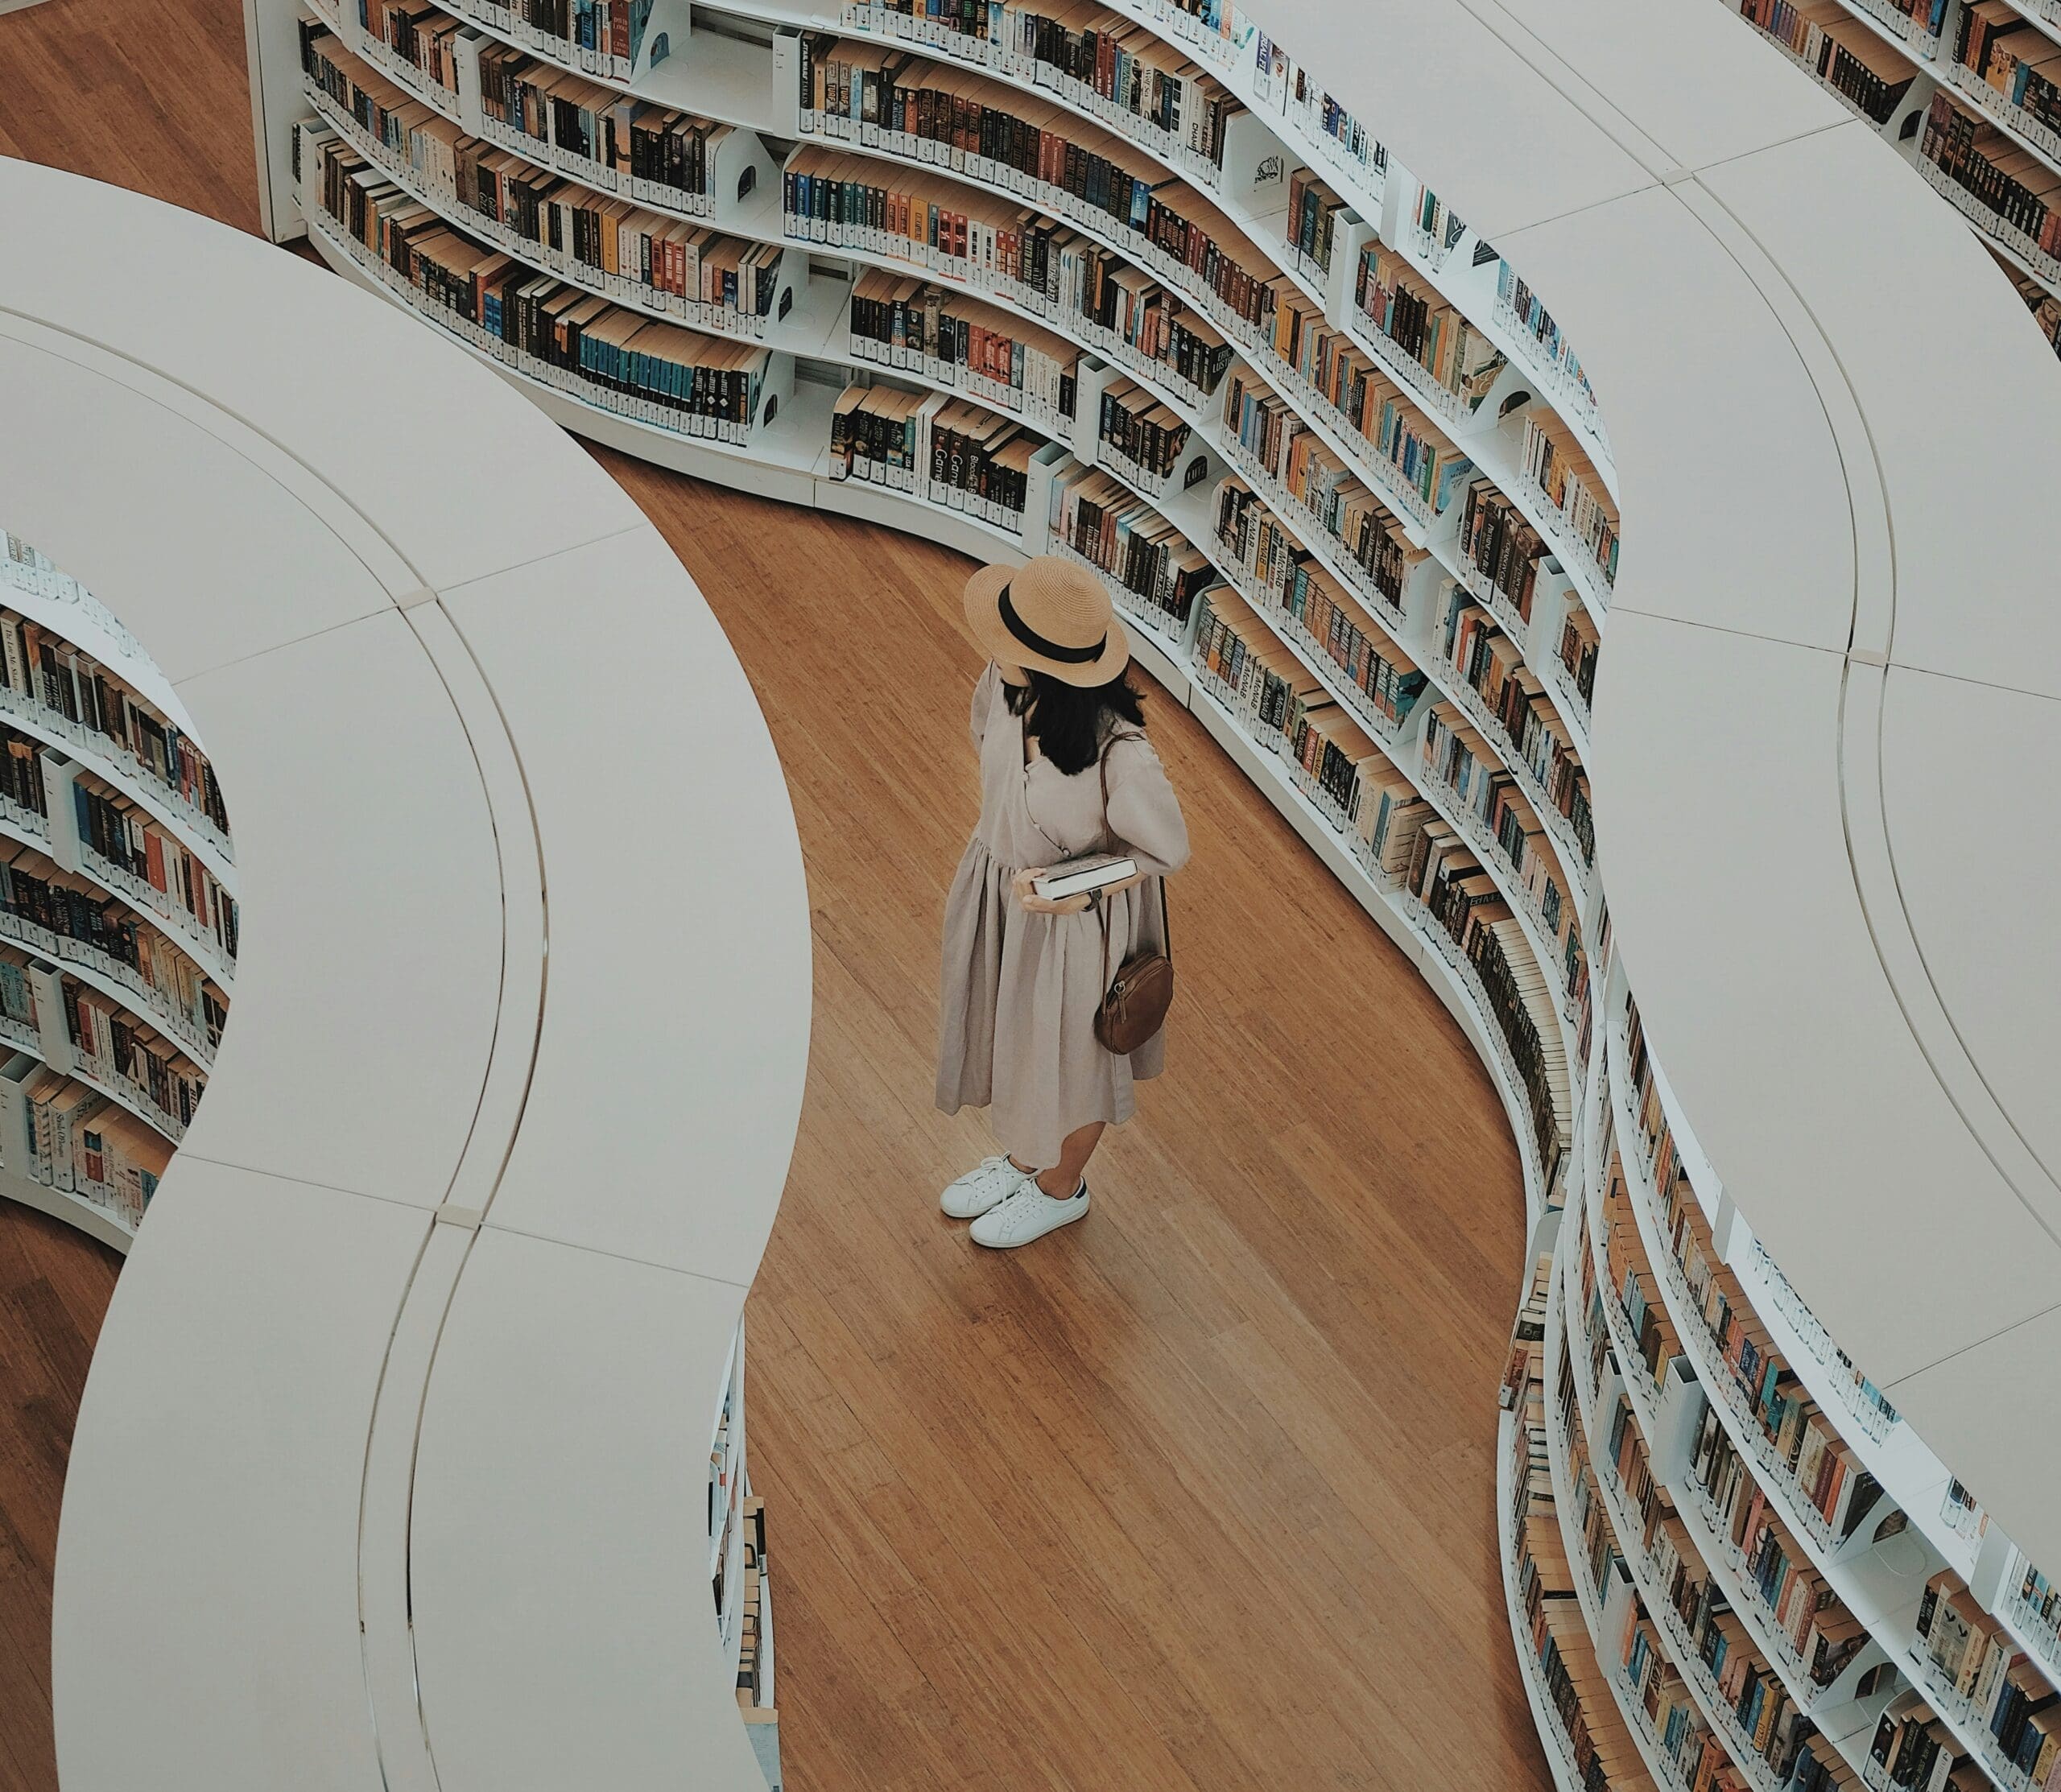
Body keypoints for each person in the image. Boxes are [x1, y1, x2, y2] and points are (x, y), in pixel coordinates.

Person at [936, 555, 1191, 1249]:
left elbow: (1165, 851)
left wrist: (1070, 884)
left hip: (1076, 928)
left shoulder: (1123, 757)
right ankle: (1024, 1161)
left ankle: (1060, 1188)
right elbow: (985, 746)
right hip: (1002, 893)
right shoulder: (1003, 684)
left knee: (1076, 1064)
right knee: (1021, 1044)